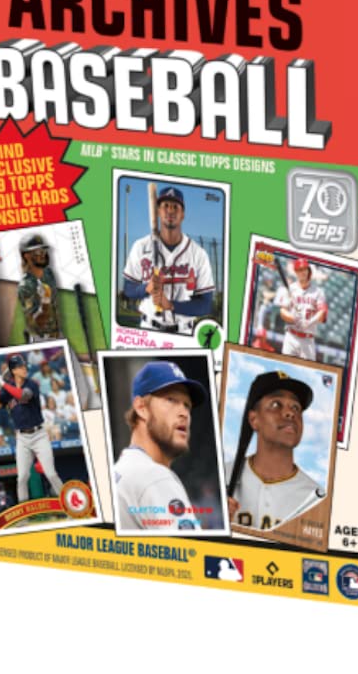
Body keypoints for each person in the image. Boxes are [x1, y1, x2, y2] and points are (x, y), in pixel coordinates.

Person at [112, 361, 205, 530]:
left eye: (187, 405)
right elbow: (192, 548)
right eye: (171, 400)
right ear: (141, 407)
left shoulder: (121, 471)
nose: (184, 413)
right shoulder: (154, 477)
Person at [226, 371, 324, 532]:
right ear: (254, 419)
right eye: (276, 405)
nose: (290, 413)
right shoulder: (220, 478)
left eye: (296, 407)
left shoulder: (315, 499)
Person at [122, 186, 215, 335]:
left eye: (175, 207)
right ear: (158, 211)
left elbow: (206, 304)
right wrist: (145, 288)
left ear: (183, 214)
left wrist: (171, 305)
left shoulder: (198, 254)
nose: (170, 211)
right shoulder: (141, 247)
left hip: (184, 332)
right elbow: (128, 289)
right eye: (165, 206)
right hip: (149, 329)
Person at [0, 353, 63, 505]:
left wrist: (3, 384)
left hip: (39, 435)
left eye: (24, 366)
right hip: (22, 438)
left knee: (51, 473)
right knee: (22, 477)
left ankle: (68, 504)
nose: (24, 368)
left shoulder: (32, 384)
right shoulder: (7, 390)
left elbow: (22, 396)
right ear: (13, 371)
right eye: (20, 367)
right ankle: (24, 512)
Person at [279, 259, 327, 360]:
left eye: (305, 269)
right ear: (296, 272)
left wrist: (309, 322)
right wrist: (294, 318)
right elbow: (282, 311)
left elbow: (322, 312)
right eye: (300, 270)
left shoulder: (318, 292)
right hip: (291, 336)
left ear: (309, 271)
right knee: (284, 364)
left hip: (308, 340)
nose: (303, 272)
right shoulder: (290, 289)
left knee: (306, 368)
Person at [18, 234, 61, 343]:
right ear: (26, 256)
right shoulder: (25, 286)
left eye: (43, 251)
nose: (42, 255)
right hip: (40, 339)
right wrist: (45, 303)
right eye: (37, 252)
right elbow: (35, 323)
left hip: (56, 334)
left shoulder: (48, 274)